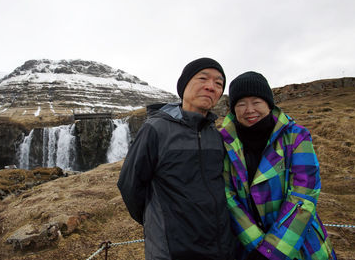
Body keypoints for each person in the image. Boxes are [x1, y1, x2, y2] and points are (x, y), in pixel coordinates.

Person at [117, 57, 236, 260]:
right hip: (171, 250)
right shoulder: (155, 129)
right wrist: (157, 222)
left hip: (219, 247)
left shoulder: (216, 135)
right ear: (184, 85)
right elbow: (130, 185)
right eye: (203, 78)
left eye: (219, 83)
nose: (211, 87)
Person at [220, 71, 337, 260]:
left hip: (300, 245)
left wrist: (271, 252)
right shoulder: (225, 144)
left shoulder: (296, 136)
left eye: (256, 102)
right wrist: (258, 247)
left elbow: (304, 194)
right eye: (241, 104)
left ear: (268, 104)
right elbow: (228, 197)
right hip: (249, 248)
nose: (249, 109)